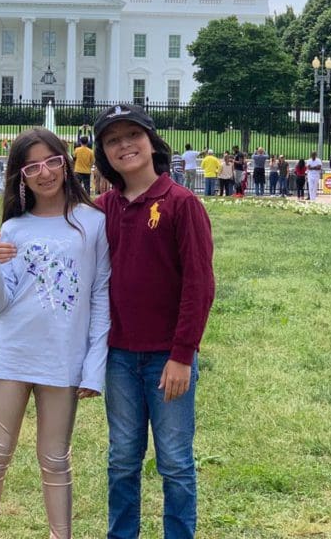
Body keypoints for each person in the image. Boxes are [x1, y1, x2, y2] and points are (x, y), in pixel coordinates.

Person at [0, 127, 110, 539]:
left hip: (63, 357)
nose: (44, 172)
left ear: (66, 162)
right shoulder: (14, 228)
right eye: (32, 166)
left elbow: (101, 296)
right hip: (13, 351)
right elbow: (0, 301)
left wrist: (93, 367)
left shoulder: (93, 223)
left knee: (55, 458)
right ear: (21, 177)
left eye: (51, 161)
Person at [90, 103, 215, 539]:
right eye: (112, 140)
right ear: (103, 154)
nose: (125, 146)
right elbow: (56, 236)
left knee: (175, 460)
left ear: (151, 140)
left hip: (167, 358)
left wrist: (182, 355)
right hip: (120, 356)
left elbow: (199, 285)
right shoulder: (100, 209)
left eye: (132, 135)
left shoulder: (180, 204)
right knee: (122, 458)